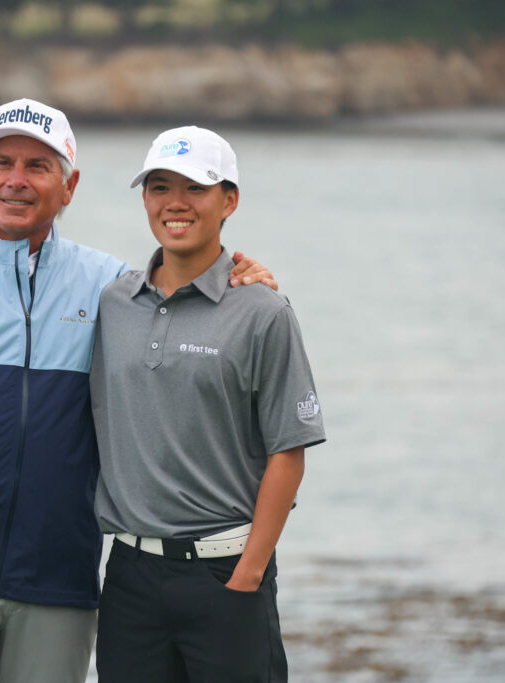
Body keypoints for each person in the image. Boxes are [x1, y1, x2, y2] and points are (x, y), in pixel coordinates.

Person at [0, 100, 275, 683]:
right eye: (2, 163)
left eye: (38, 166)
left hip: (60, 582)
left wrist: (242, 280)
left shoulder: (114, 289)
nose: (16, 180)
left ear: (69, 187)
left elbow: (190, 300)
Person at [90, 125, 327, 682]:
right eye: (159, 187)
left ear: (229, 201)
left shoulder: (263, 311)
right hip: (129, 578)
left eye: (195, 187)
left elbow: (288, 453)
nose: (175, 203)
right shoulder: (112, 303)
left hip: (227, 574)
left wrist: (248, 576)